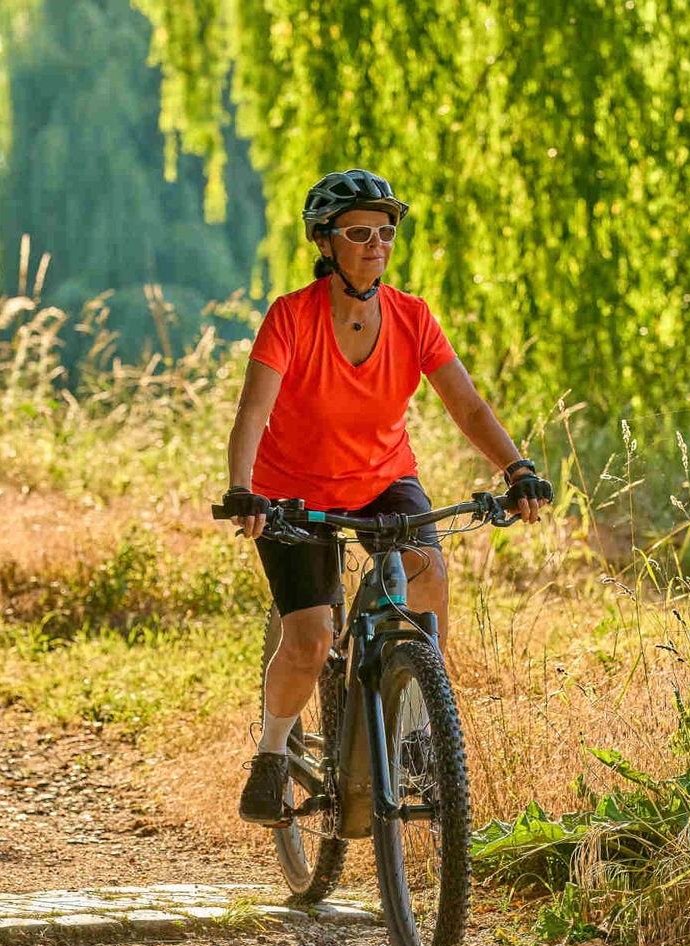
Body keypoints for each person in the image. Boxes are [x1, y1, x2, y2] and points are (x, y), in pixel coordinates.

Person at [219, 168, 552, 825]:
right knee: (311, 638)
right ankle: (272, 755)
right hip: (292, 493)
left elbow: (467, 405)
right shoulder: (291, 317)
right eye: (361, 232)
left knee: (427, 575)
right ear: (326, 244)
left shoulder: (411, 316)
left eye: (387, 230)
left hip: (383, 480)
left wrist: (517, 468)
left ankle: (420, 727)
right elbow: (252, 413)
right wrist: (243, 490)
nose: (378, 243)